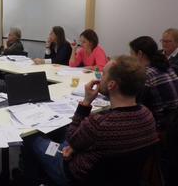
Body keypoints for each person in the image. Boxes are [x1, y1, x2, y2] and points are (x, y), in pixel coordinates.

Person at [20, 55, 159, 186]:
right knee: (62, 135)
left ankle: (29, 179)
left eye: (103, 74)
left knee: (31, 136)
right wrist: (74, 147)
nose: (99, 77)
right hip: (120, 177)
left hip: (75, 174)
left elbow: (72, 138)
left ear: (111, 85)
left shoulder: (99, 123)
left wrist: (86, 102)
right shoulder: (147, 116)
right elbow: (83, 141)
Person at [129, 36, 178, 130]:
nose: (130, 58)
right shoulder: (167, 68)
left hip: (159, 126)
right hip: (173, 123)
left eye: (131, 54)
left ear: (139, 54)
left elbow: (135, 105)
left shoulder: (146, 75)